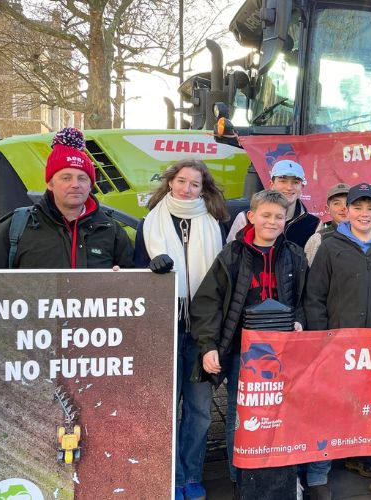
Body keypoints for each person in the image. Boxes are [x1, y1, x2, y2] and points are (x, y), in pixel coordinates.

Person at [190, 190, 308, 497]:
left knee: (282, 413)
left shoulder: (294, 254)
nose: (272, 221)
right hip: (240, 351)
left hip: (282, 351)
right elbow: (207, 303)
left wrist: (300, 320)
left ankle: (278, 476)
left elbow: (306, 298)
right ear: (251, 217)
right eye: (265, 215)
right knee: (241, 416)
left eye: (279, 217)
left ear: (286, 220)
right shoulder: (232, 255)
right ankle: (240, 478)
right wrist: (209, 345)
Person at [304, 182, 371, 500]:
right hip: (338, 346)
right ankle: (317, 477)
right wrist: (324, 340)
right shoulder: (330, 245)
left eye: (370, 208)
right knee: (329, 409)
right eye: (357, 207)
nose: (364, 214)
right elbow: (315, 297)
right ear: (346, 211)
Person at [133, 159, 229, 500]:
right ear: (170, 181)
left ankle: (191, 475)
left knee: (200, 411)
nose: (186, 188)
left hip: (203, 331)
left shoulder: (214, 223)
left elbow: (222, 280)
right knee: (165, 408)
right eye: (182, 181)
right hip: (164, 327)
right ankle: (169, 476)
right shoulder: (151, 222)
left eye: (195, 184)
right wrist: (149, 267)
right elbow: (134, 275)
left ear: (203, 189)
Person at [0, 127, 133, 269]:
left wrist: (120, 282)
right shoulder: (17, 227)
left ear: (91, 185)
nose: (75, 185)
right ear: (50, 184)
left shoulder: (111, 231)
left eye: (82, 178)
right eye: (66, 178)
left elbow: (136, 288)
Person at [226, 151, 320, 247]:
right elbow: (230, 256)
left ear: (302, 187)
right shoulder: (246, 218)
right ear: (271, 185)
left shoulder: (314, 224)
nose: (289, 187)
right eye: (283, 181)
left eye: (295, 182)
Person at [304, 182, 350, 264]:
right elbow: (311, 274)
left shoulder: (367, 235)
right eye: (337, 203)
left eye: (348, 203)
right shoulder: (318, 239)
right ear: (327, 209)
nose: (344, 208)